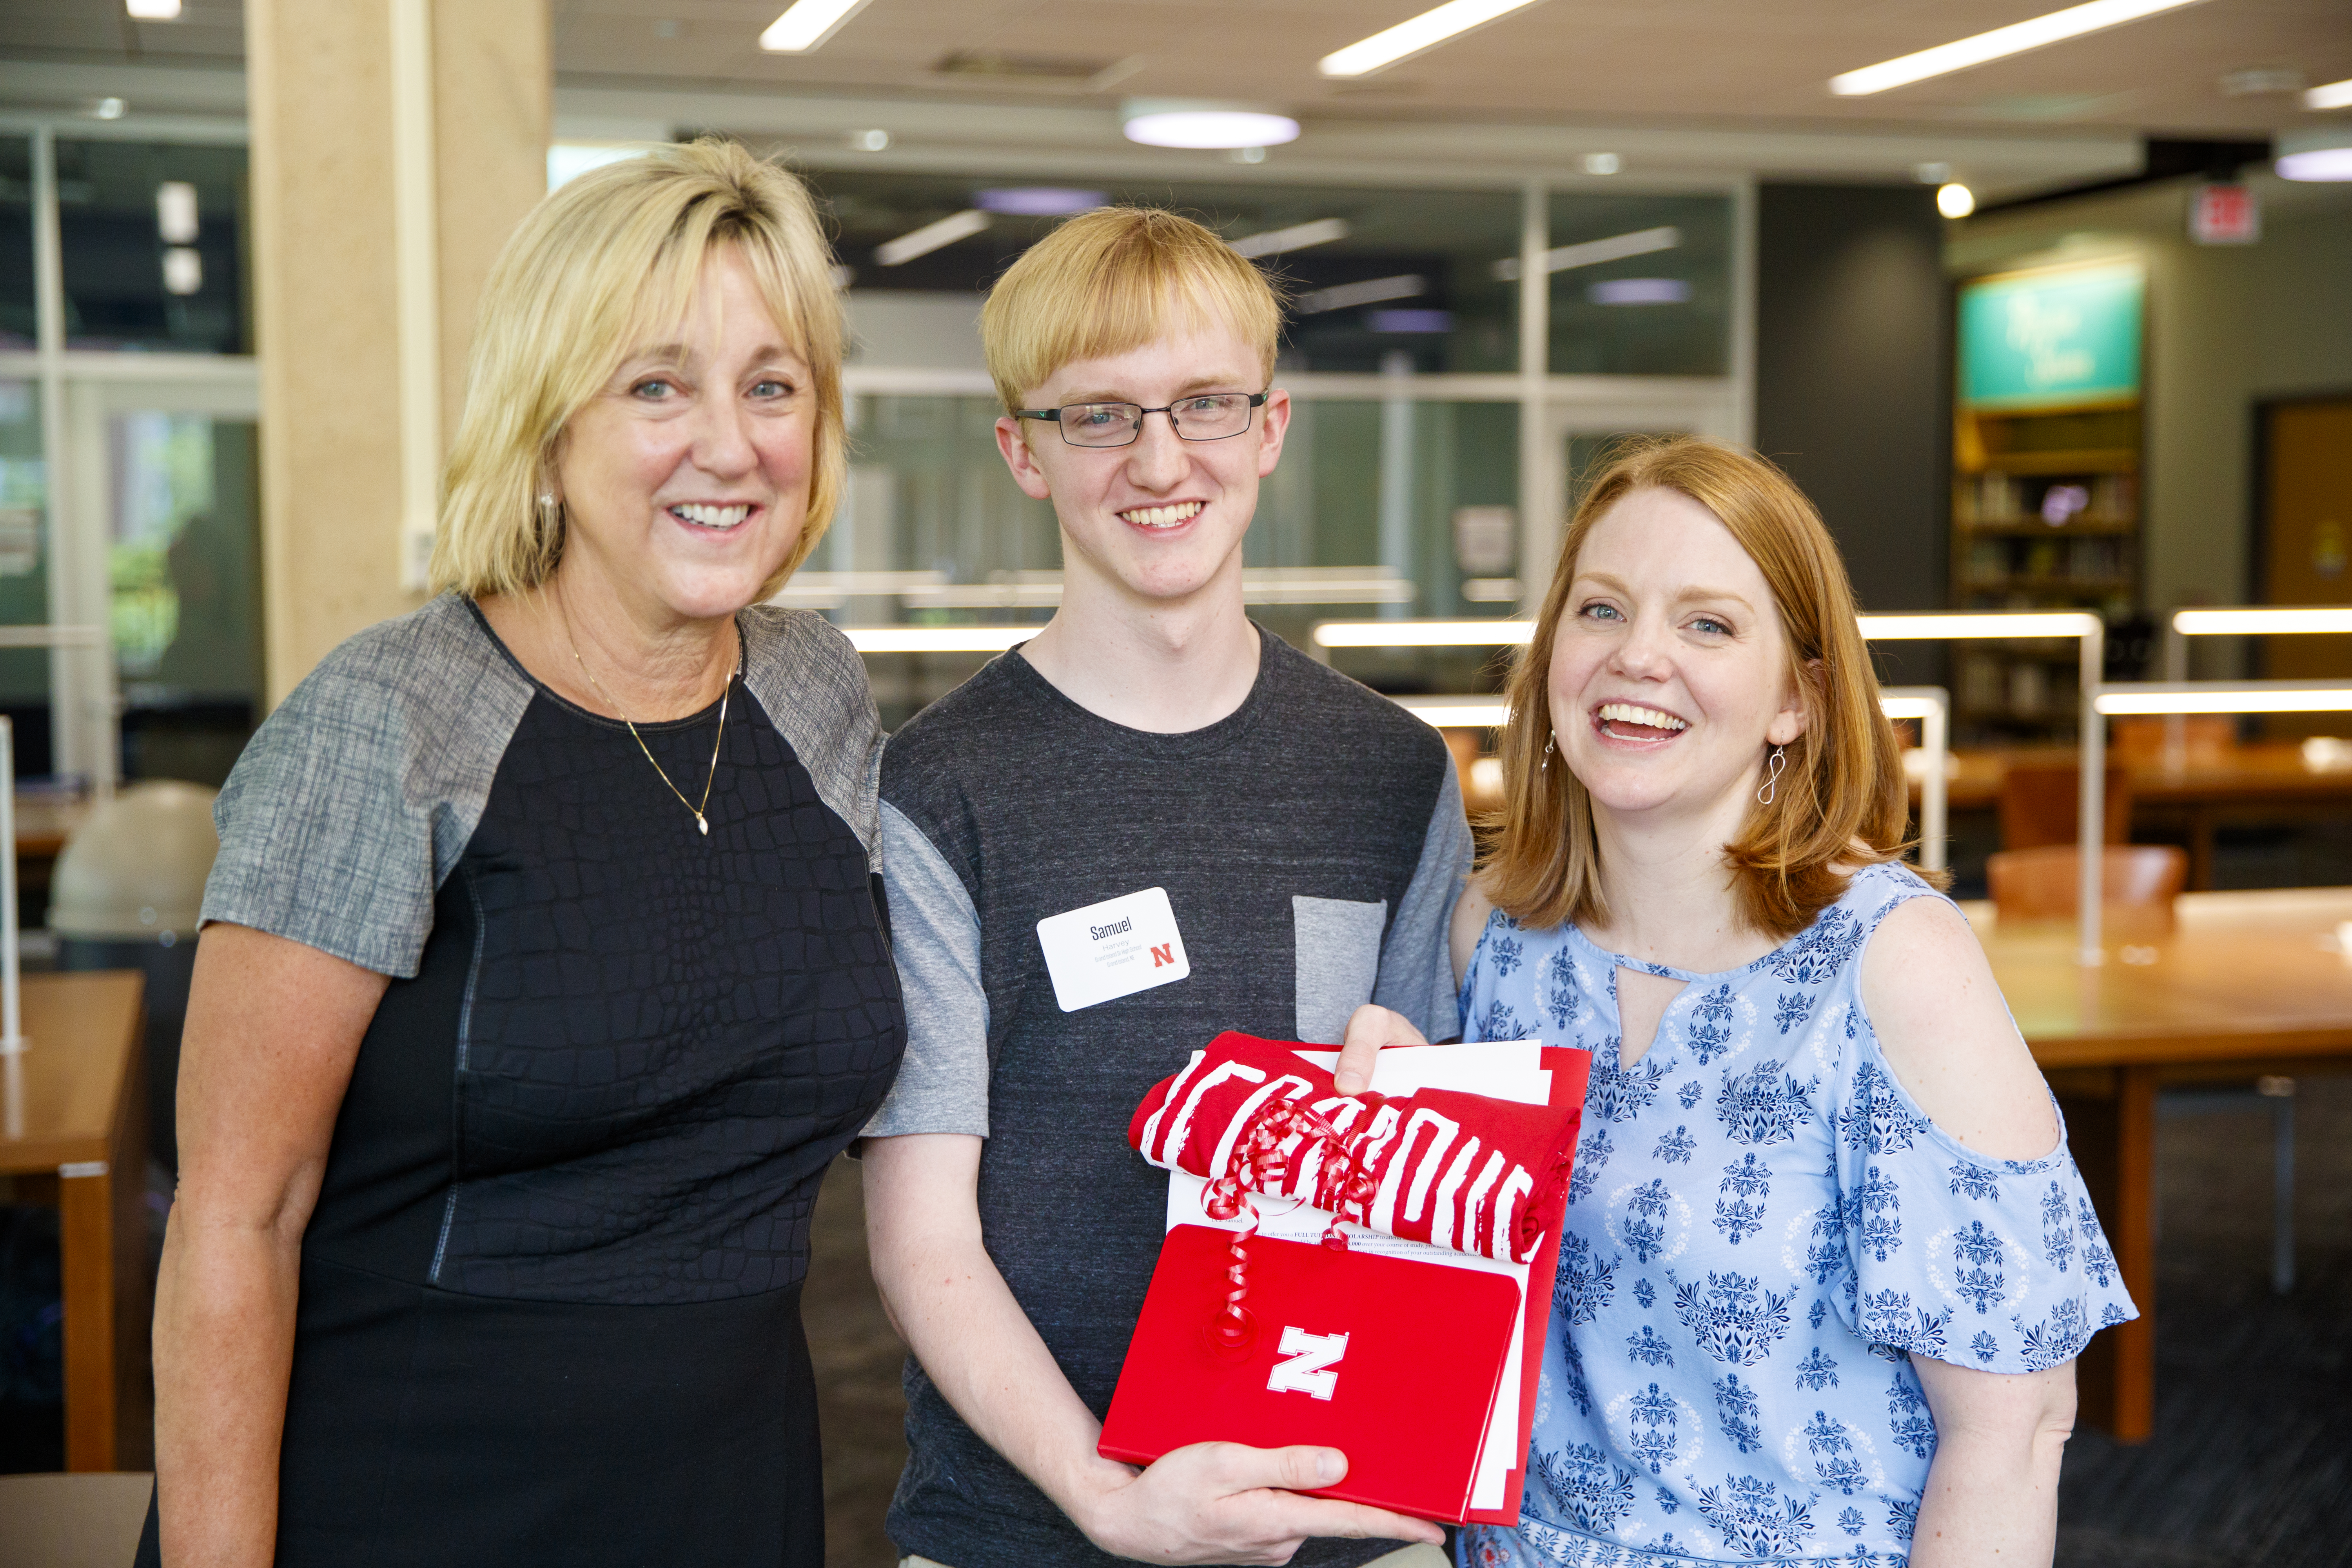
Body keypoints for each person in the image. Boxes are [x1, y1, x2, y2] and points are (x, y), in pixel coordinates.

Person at [141, 139, 905, 1567]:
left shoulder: (818, 694)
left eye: (772, 384)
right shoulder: (387, 721)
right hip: (418, 1498)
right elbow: (237, 1221)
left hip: (740, 1490)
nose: (730, 446)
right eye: (656, 385)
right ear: (550, 424)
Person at [1358, 437, 2136, 1568]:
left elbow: (2011, 1433)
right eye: (1602, 611)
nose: (1639, 659)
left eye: (1708, 626)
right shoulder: (1494, 939)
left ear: (1795, 700)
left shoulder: (1890, 964)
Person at [858, 206, 1470, 1568]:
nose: (1160, 461)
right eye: (1100, 417)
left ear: (1270, 428)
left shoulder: (1391, 771)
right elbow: (921, 1240)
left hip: (1350, 1517)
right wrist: (1109, 1499)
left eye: (1204, 405)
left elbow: (1436, 1179)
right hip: (1024, 1528)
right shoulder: (938, 789)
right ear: (1022, 450)